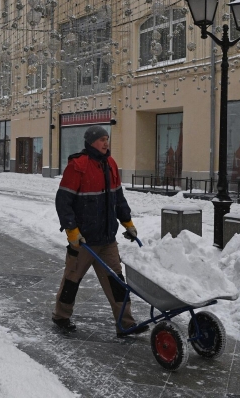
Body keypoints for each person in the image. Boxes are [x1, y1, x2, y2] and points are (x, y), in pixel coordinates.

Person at [51, 125, 147, 337]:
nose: (106, 143)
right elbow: (63, 201)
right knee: (72, 281)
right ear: (91, 142)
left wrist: (127, 222)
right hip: (83, 239)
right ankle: (61, 316)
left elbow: (118, 198)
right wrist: (71, 230)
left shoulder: (110, 164)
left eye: (107, 139)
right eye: (102, 139)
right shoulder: (78, 165)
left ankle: (126, 323)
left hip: (107, 238)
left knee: (117, 282)